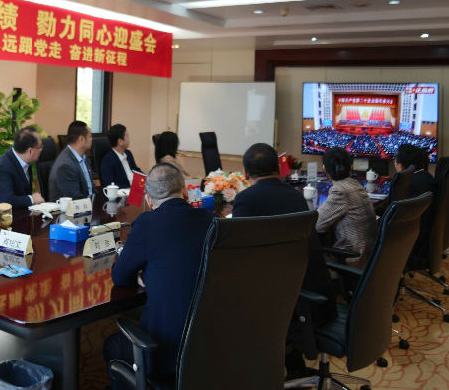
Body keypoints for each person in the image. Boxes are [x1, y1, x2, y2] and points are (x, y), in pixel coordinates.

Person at [106, 163, 214, 384]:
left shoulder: (147, 223)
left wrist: (144, 273)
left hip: (165, 352)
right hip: (210, 344)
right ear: (185, 191)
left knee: (112, 346)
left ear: (148, 200)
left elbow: (120, 277)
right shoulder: (209, 220)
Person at [232, 143, 337, 327]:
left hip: (285, 308)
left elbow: (239, 251)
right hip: (317, 300)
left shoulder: (245, 199)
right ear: (279, 169)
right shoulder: (296, 196)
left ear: (246, 174)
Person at [316, 147, 377, 267]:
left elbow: (316, 225)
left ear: (324, 168)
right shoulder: (355, 184)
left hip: (352, 259)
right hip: (369, 258)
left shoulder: (340, 191)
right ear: (351, 167)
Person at [0, 126, 45, 212]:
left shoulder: (25, 160)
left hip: (21, 214)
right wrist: (31, 199)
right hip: (1, 218)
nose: (41, 150)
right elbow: (6, 202)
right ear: (30, 151)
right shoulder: (2, 168)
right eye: (40, 147)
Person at [48, 120, 93, 201]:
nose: (92, 139)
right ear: (81, 139)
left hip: (87, 203)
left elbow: (91, 188)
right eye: (90, 136)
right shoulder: (66, 165)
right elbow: (74, 198)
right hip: (71, 207)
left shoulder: (83, 157)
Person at [100, 123, 143, 188]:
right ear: (120, 142)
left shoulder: (128, 153)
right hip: (125, 192)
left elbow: (136, 170)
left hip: (137, 188)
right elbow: (111, 184)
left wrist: (146, 179)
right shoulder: (107, 161)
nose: (129, 138)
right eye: (127, 136)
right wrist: (132, 188)